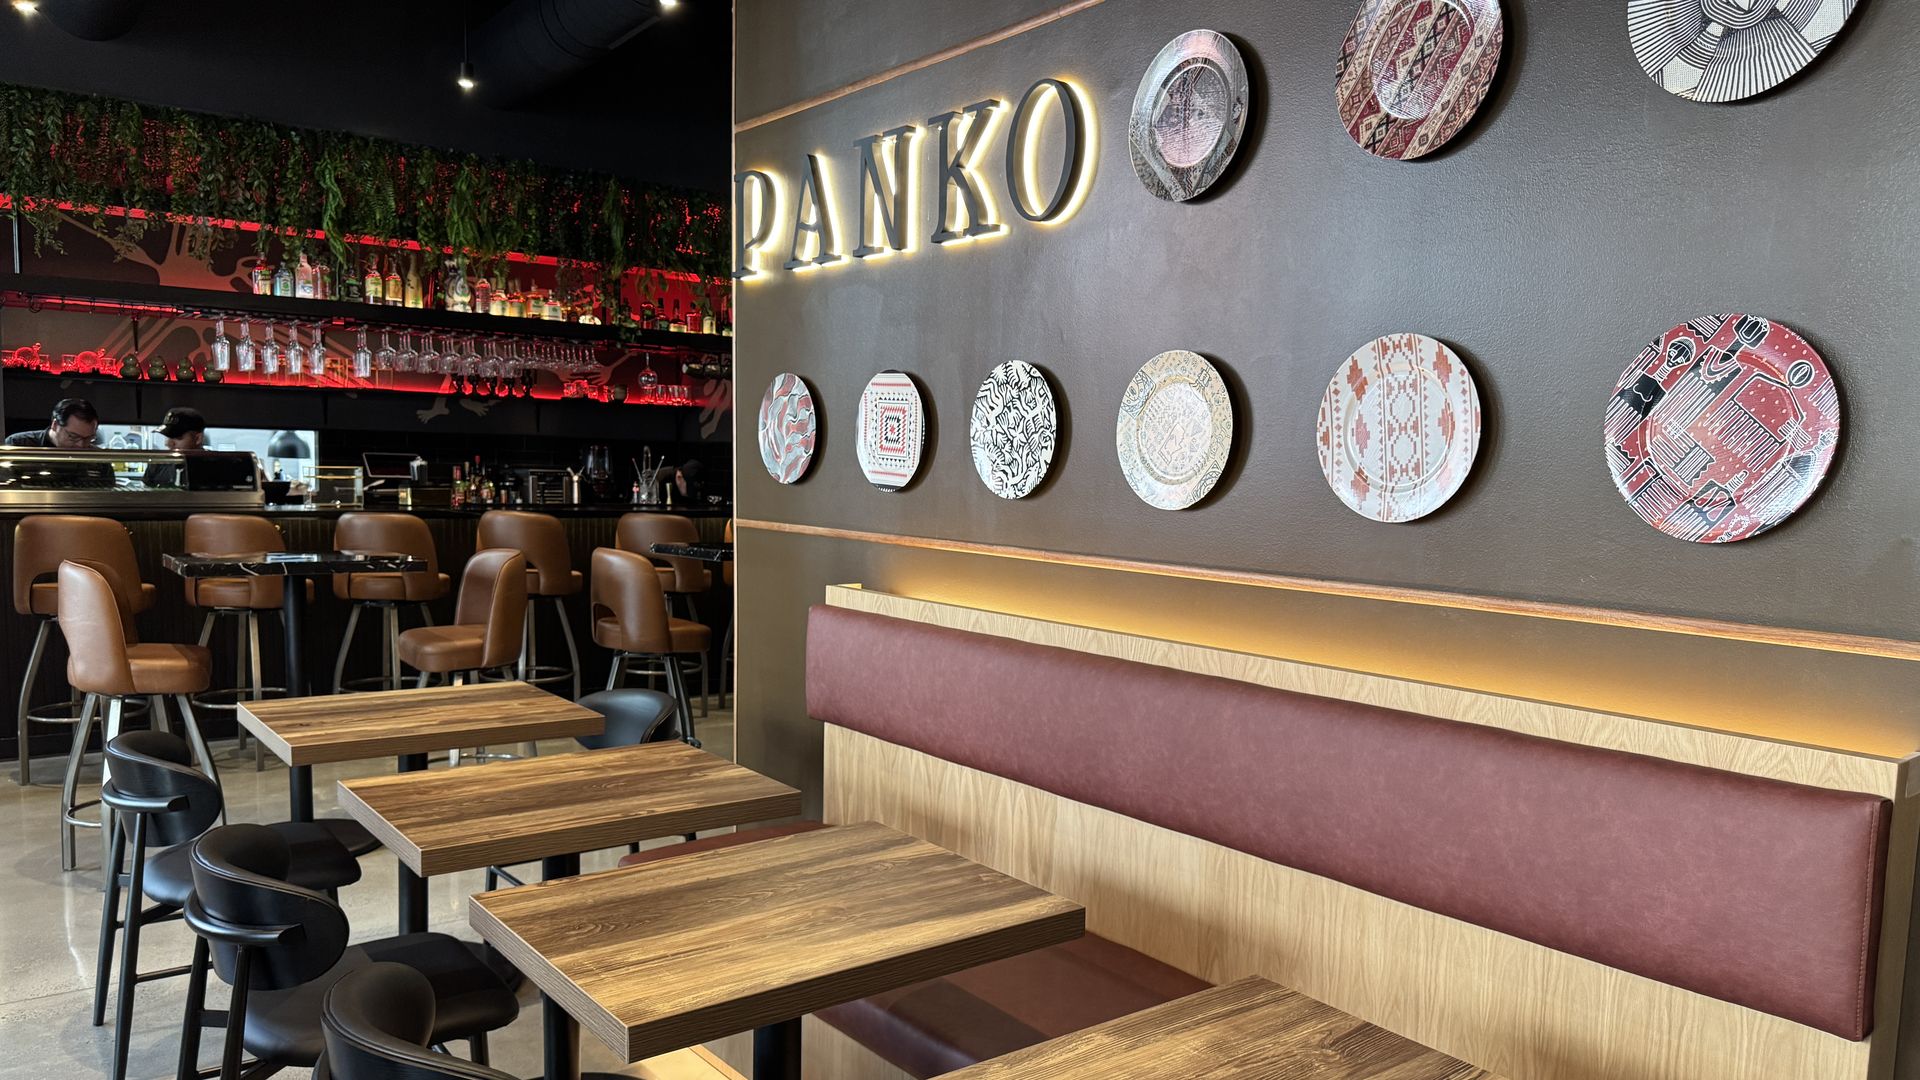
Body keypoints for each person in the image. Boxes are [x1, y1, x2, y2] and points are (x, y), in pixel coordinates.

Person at [141, 407, 207, 488]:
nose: (168, 443)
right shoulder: (157, 463)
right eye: (167, 436)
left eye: (177, 437)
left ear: (198, 439)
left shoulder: (214, 467)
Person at [4, 398, 99, 449]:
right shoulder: (17, 444)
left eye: (88, 438)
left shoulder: (96, 455)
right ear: (55, 425)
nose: (81, 445)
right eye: (73, 436)